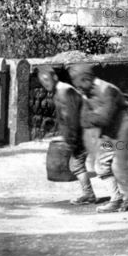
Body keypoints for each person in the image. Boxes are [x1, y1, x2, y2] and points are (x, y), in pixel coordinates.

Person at [68, 63, 128, 213]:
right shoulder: (86, 93)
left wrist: (91, 116)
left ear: (85, 78)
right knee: (101, 167)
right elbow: (85, 120)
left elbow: (104, 118)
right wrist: (93, 116)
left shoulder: (108, 90)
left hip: (121, 131)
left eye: (78, 83)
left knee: (121, 168)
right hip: (106, 133)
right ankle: (116, 199)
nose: (77, 88)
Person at [36, 65, 96, 205]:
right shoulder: (59, 91)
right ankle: (89, 194)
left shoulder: (65, 91)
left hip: (86, 131)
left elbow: (74, 117)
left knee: (77, 165)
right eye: (42, 82)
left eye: (47, 80)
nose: (45, 84)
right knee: (78, 165)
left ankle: (90, 195)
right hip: (83, 131)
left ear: (55, 77)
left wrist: (72, 138)